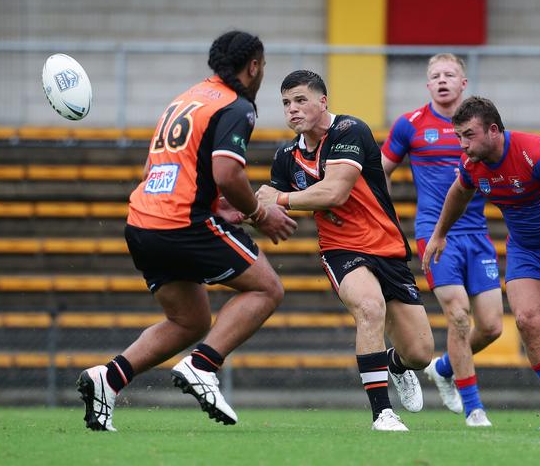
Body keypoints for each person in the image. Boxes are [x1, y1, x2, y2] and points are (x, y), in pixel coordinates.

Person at [76, 30, 297, 431]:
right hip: (181, 223)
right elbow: (227, 173)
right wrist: (260, 215)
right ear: (253, 67)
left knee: (190, 321)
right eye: (262, 65)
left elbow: (155, 171)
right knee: (267, 288)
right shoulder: (238, 105)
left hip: (143, 222)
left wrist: (219, 204)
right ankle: (203, 366)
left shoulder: (186, 98)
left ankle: (107, 380)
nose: (262, 72)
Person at [257, 70, 434, 432]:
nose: (292, 109)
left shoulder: (350, 130)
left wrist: (281, 198)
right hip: (341, 249)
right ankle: (382, 413)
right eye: (286, 103)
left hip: (387, 246)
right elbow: (267, 208)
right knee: (369, 307)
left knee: (420, 354)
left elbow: (333, 192)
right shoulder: (285, 156)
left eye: (301, 100)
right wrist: (246, 208)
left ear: (323, 101)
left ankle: (394, 365)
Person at [422, 96, 540, 431]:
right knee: (527, 321)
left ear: (493, 130)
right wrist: (439, 235)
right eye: (459, 136)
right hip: (526, 253)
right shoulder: (473, 165)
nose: (463, 145)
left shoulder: (536, 153)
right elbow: (458, 193)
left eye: (469, 135)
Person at [381, 54, 503, 427]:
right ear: (427, 84)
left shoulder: (478, 125)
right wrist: (389, 219)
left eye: (450, 74)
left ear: (464, 83)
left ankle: (445, 368)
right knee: (459, 314)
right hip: (435, 235)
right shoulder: (411, 125)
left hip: (477, 234)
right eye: (435, 76)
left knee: (493, 326)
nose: (442, 80)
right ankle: (474, 408)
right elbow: (380, 171)